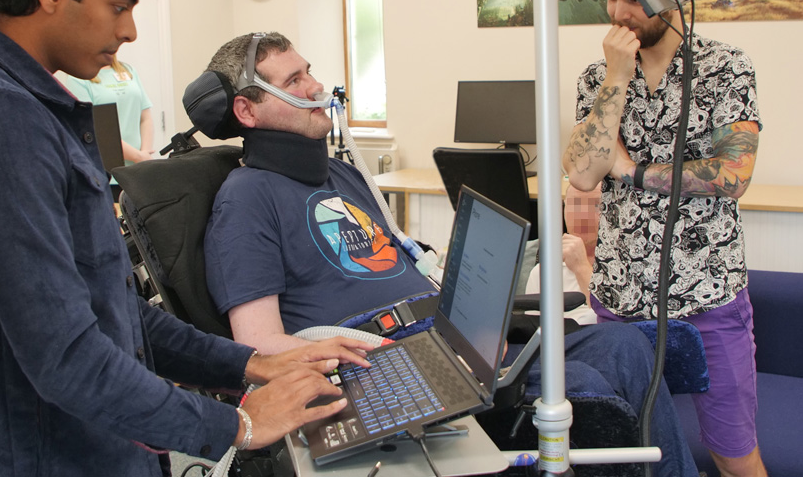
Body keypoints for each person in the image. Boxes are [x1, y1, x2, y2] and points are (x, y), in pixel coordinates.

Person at [0, 0, 372, 477]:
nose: (131, 31)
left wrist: (252, 365)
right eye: (119, 6)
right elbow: (65, 356)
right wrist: (239, 424)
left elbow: (118, 315)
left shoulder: (34, 110)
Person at [200, 31, 699, 477]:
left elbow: (401, 257)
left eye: (309, 70)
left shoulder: (342, 174)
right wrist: (377, 355)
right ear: (248, 111)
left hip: (446, 338)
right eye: (294, 78)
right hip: (383, 362)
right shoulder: (246, 198)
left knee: (627, 347)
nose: (315, 85)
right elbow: (259, 345)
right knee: (584, 385)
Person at [563, 0, 765, 477]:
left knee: (733, 451)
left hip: (707, 296)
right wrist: (615, 80)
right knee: (628, 448)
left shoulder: (726, 69)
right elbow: (582, 173)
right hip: (622, 296)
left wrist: (629, 170)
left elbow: (731, 174)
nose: (618, 13)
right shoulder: (599, 77)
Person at [65, 55, 155, 201]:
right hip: (109, 175)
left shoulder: (128, 70)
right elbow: (95, 128)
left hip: (139, 171)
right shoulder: (78, 78)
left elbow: (145, 117)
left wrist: (145, 154)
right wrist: (138, 157)